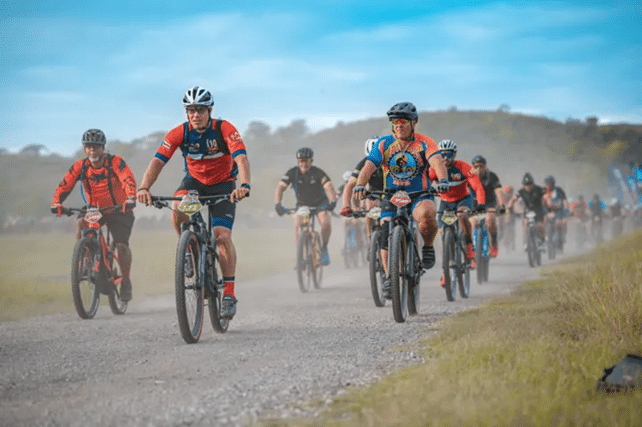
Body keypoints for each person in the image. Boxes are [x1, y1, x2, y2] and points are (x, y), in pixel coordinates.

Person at [136, 86, 251, 319]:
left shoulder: (224, 128)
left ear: (209, 111)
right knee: (177, 207)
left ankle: (229, 294)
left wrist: (244, 185)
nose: (195, 115)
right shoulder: (180, 132)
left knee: (222, 237)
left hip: (223, 186)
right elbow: (158, 162)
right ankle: (187, 248)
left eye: (199, 110)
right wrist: (144, 188)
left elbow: (240, 156)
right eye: (190, 110)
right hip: (195, 185)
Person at [353, 102, 449, 278]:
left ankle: (427, 246)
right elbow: (369, 165)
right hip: (391, 195)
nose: (398, 125)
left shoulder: (425, 142)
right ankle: (390, 277)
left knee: (428, 213)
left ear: (414, 122)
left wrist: (443, 180)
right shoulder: (384, 143)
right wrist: (360, 184)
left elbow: (436, 161)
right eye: (395, 122)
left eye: (403, 121)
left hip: (419, 195)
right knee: (384, 230)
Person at [51, 129, 137, 301]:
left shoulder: (116, 162)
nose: (92, 151)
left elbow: (127, 179)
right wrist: (57, 202)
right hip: (94, 209)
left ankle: (126, 282)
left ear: (103, 148)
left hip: (119, 209)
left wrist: (131, 197)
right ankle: (84, 260)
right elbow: (65, 185)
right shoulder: (80, 167)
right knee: (81, 221)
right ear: (84, 149)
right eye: (89, 147)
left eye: (96, 147)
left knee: (121, 245)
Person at [429, 140, 485, 286]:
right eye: (442, 155)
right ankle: (445, 272)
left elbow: (477, 186)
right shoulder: (435, 169)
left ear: (454, 155)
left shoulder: (463, 166)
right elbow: (425, 182)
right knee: (443, 233)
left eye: (449, 155)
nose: (445, 158)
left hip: (463, 200)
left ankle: (469, 247)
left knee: (462, 215)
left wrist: (480, 204)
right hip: (445, 202)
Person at [274, 147, 338, 265]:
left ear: (311, 161)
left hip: (320, 203)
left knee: (325, 221)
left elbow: (329, 187)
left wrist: (333, 201)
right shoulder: (293, 173)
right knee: (296, 221)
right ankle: (300, 256)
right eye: (301, 161)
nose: (304, 163)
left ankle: (324, 248)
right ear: (298, 161)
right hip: (303, 204)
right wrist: (278, 204)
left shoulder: (318, 172)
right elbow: (280, 188)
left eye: (307, 160)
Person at [340, 136, 384, 242]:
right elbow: (350, 185)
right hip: (374, 193)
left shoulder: (392, 159)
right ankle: (370, 243)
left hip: (390, 192)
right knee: (370, 214)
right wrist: (346, 206)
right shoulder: (362, 163)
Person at [470, 155, 504, 257]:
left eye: (481, 166)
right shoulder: (469, 176)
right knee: (472, 224)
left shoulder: (492, 176)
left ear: (485, 166)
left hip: (489, 202)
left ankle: (494, 243)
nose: (479, 169)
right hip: (475, 203)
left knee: (490, 219)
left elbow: (498, 191)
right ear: (473, 167)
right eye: (476, 167)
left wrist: (502, 205)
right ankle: (471, 249)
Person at [506, 172, 545, 250]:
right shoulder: (521, 191)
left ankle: (541, 241)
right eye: (526, 184)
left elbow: (546, 197)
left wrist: (547, 203)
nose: (528, 186)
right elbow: (514, 199)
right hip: (528, 210)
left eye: (530, 184)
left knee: (540, 226)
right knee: (525, 224)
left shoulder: (539, 189)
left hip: (538, 210)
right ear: (523, 185)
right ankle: (527, 242)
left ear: (533, 184)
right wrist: (509, 205)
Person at [542, 175, 569, 249]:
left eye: (550, 183)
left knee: (562, 222)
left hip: (558, 211)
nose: (548, 185)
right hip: (546, 211)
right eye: (547, 183)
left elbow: (564, 200)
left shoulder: (558, 190)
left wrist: (567, 208)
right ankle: (544, 237)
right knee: (542, 221)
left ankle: (562, 237)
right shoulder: (543, 191)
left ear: (553, 184)